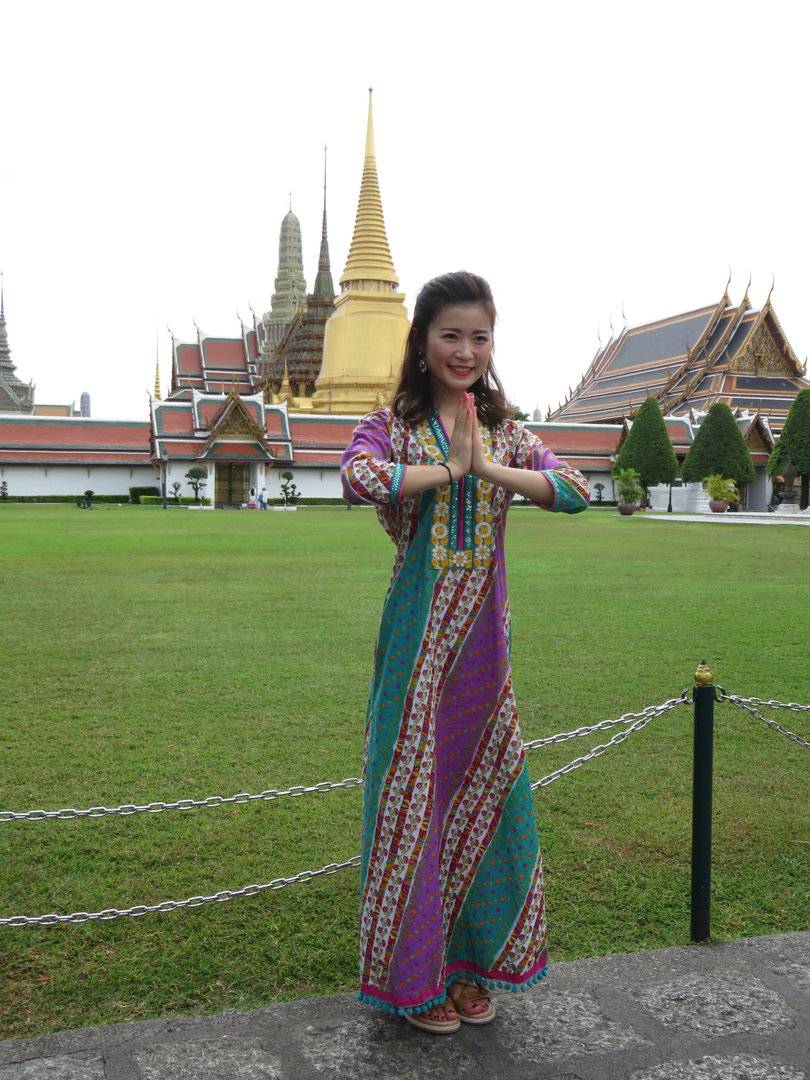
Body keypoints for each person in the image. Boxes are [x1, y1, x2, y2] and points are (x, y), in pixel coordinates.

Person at [340, 271, 589, 1036]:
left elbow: (575, 490)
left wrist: (484, 468)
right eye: (450, 334)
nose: (466, 350)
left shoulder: (507, 432)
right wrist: (445, 470)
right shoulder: (395, 425)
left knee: (482, 797)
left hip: (483, 652)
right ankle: (417, 981)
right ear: (421, 340)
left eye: (480, 337)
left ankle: (470, 967)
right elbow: (357, 478)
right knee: (414, 801)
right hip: (415, 650)